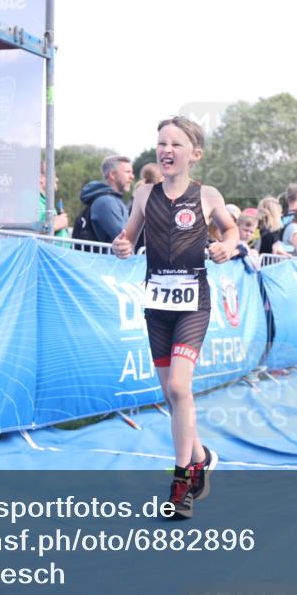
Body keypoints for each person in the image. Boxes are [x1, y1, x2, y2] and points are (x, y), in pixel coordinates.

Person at [111, 116, 237, 519]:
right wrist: (122, 245)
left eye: (176, 144)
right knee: (171, 394)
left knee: (181, 387)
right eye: (162, 143)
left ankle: (182, 483)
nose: (166, 149)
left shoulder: (208, 196)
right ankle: (200, 456)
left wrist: (227, 247)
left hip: (193, 304)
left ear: (193, 155)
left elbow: (232, 232)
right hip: (157, 305)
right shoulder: (145, 194)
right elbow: (128, 236)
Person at [76, 155, 135, 243]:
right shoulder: (106, 202)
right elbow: (125, 238)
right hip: (104, 256)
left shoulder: (112, 199)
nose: (132, 176)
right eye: (127, 172)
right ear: (112, 175)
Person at [36, 161, 69, 236]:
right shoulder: (29, 199)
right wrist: (55, 225)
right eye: (54, 175)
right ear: (40, 178)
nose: (57, 179)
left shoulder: (44, 200)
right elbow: (28, 231)